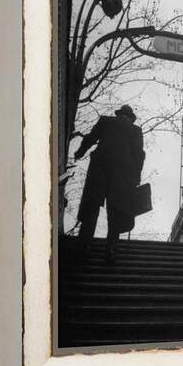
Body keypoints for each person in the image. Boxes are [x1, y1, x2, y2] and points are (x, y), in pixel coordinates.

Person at [73, 105, 145, 263]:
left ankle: (84, 245)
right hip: (123, 175)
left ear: (119, 114)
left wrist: (80, 152)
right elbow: (139, 155)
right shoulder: (135, 131)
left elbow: (90, 138)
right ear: (130, 118)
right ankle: (111, 249)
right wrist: (136, 176)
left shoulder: (105, 121)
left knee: (92, 206)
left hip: (99, 169)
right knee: (116, 211)